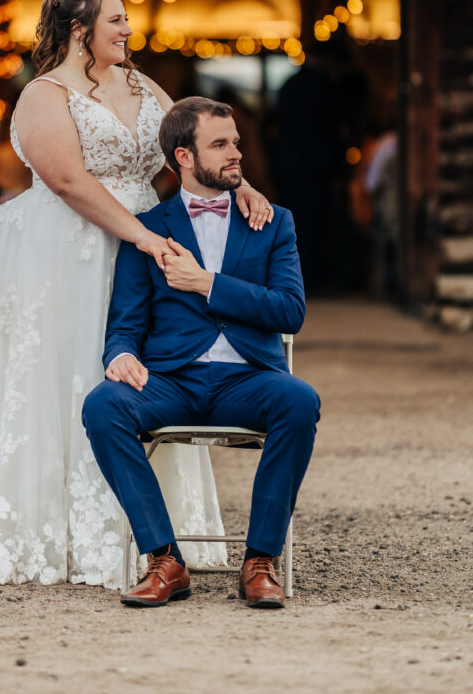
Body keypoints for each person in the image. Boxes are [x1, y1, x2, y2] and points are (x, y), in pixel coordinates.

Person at [0, 0, 273, 589]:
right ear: (81, 31)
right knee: (69, 374)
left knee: (148, 369)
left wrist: (240, 183)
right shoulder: (44, 96)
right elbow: (70, 182)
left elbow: (194, 140)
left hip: (143, 243)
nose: (128, 30)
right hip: (69, 251)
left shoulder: (142, 84)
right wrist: (144, 238)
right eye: (116, 21)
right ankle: (65, 532)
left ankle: (154, 536)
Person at [83, 96, 320, 608]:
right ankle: (164, 560)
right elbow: (125, 322)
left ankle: (260, 561)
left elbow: (290, 311)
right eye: (220, 144)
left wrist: (208, 284)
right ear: (184, 157)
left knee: (300, 401)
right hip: (172, 381)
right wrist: (119, 356)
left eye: (235, 142)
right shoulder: (147, 230)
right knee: (103, 406)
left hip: (248, 381)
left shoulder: (274, 222)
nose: (236, 153)